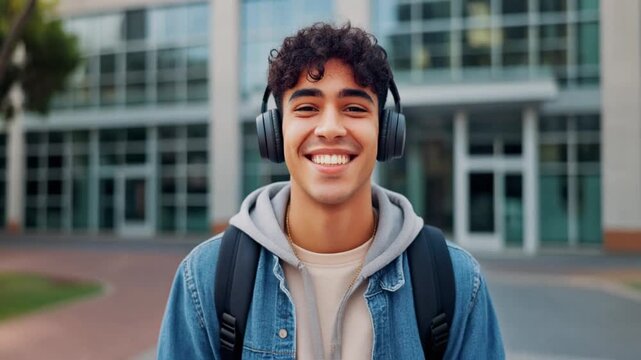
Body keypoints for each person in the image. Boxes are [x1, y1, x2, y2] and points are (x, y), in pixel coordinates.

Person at [157, 23, 504, 359]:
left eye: (354, 108)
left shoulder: (456, 281)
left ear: (386, 134)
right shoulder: (205, 276)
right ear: (275, 134)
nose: (330, 129)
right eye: (307, 107)